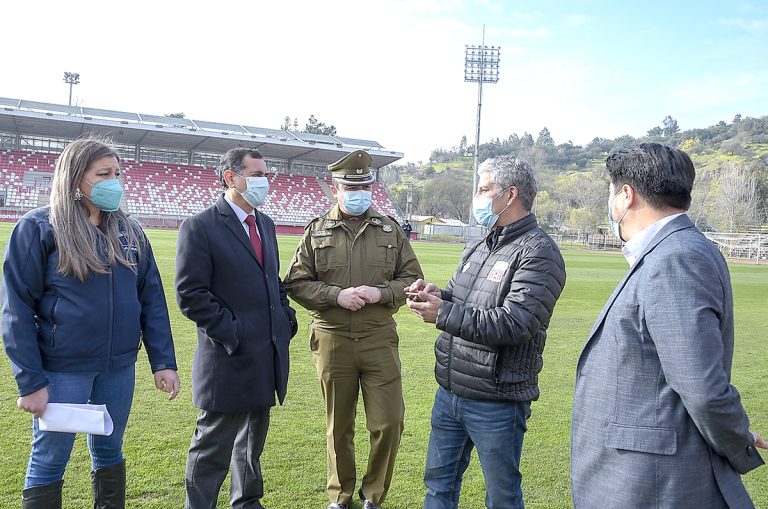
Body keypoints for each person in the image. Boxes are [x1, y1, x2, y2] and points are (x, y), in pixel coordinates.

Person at [570, 143, 766, 508]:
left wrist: (736, 437)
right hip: (646, 475)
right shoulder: (671, 252)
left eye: (611, 193)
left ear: (625, 196)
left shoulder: (677, 258)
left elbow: (703, 388)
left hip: (653, 484)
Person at [1, 137, 180, 509]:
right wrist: (30, 382)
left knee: (110, 449)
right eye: (103, 174)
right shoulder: (39, 228)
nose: (114, 181)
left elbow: (151, 298)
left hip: (118, 369)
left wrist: (163, 361)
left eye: (117, 173)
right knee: (50, 459)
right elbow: (15, 309)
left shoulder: (130, 231)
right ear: (75, 178)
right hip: (63, 371)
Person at [407, 154, 566, 509]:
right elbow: (461, 298)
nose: (477, 197)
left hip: (497, 399)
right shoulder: (479, 244)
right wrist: (436, 295)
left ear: (510, 194)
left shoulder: (539, 252)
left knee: (502, 496)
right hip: (450, 392)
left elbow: (517, 323)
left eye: (484, 189)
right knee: (438, 487)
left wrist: (443, 312)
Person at [284, 150, 423, 509]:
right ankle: (340, 496)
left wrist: (382, 292)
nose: (358, 191)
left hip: (379, 338)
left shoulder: (390, 230)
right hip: (332, 338)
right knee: (338, 426)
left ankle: (373, 496)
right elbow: (296, 282)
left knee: (389, 422)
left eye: (364, 185)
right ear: (336, 188)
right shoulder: (316, 231)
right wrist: (336, 295)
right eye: (350, 186)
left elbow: (412, 278)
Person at [176, 147, 297, 509]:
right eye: (257, 174)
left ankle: (247, 503)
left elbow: (271, 280)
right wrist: (233, 332)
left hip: (266, 354)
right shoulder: (201, 226)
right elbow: (191, 294)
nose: (265, 181)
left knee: (251, 445)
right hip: (227, 358)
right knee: (212, 447)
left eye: (266, 174)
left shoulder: (265, 224)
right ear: (231, 177)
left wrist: (285, 318)